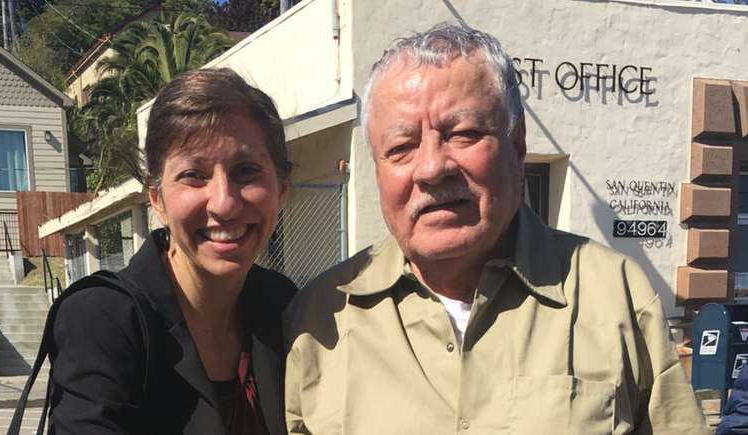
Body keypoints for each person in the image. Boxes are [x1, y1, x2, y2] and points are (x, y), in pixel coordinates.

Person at [284, 23, 708, 434]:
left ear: (518, 145)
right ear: (376, 169)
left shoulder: (618, 297)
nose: (432, 168)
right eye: (400, 148)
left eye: (463, 134)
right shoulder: (318, 320)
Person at [47, 68, 296, 434]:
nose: (224, 203)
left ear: (281, 190)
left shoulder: (283, 306)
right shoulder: (104, 319)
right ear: (157, 199)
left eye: (246, 171)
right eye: (193, 175)